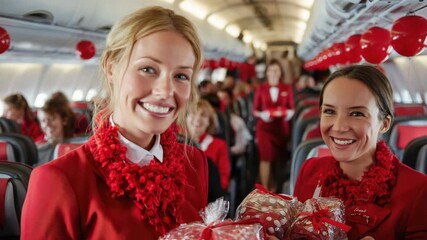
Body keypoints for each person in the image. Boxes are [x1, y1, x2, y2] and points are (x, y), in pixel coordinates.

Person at [21, 6, 208, 240]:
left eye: (181, 76)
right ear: (111, 68)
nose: (165, 91)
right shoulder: (59, 181)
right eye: (148, 69)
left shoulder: (194, 165)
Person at [293, 65, 427, 239]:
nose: (339, 127)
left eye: (357, 113)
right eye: (329, 111)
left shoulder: (418, 191)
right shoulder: (310, 171)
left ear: (384, 124)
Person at [253, 59, 295, 191]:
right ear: (267, 72)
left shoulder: (287, 87)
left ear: (280, 72)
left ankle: (276, 187)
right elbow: (255, 110)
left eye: (276, 70)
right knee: (265, 158)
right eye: (271, 70)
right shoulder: (261, 88)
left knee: (278, 160)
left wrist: (288, 113)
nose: (273, 73)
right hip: (264, 128)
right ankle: (265, 190)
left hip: (281, 128)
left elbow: (292, 108)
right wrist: (262, 115)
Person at [185, 99, 231, 192]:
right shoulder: (175, 142)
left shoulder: (219, 145)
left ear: (209, 121)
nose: (197, 118)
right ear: (186, 118)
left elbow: (224, 181)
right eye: (193, 113)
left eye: (203, 115)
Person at [36, 93, 76, 165]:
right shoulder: (37, 147)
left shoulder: (76, 145)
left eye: (52, 119)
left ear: (64, 120)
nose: (47, 124)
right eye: (43, 121)